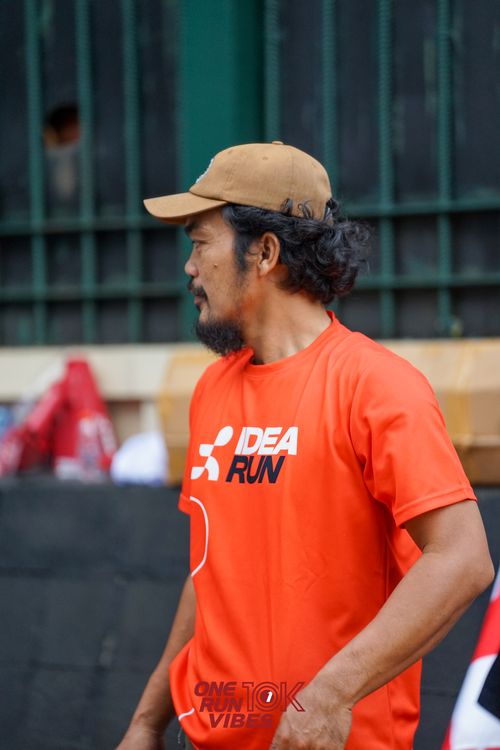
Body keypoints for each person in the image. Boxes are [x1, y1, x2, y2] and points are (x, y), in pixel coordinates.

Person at [116, 142, 494, 750]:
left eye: (200, 243)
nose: (189, 267)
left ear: (265, 252)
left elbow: (462, 559)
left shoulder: (377, 386)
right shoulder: (213, 388)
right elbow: (209, 572)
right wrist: (146, 721)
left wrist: (328, 696)